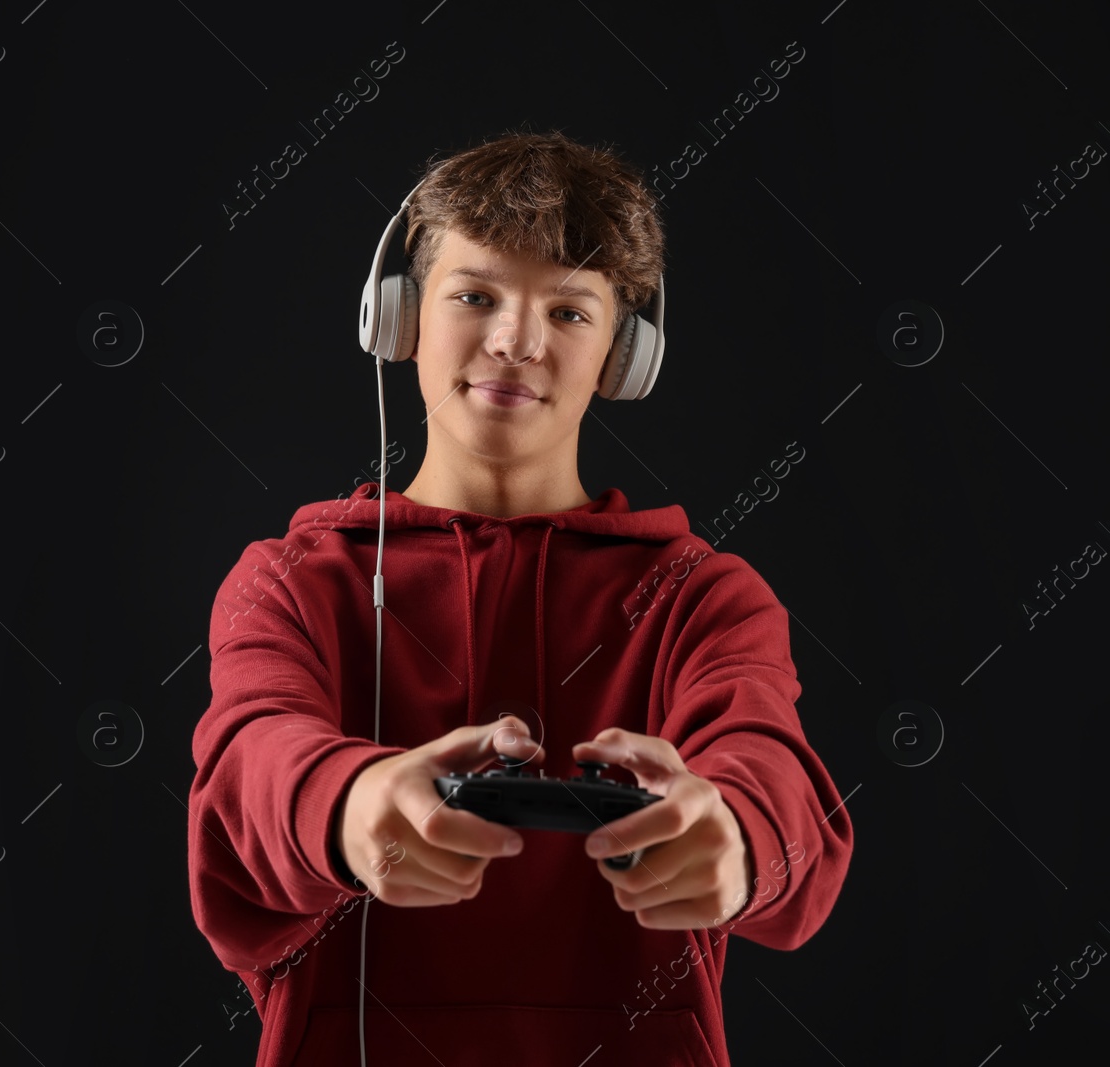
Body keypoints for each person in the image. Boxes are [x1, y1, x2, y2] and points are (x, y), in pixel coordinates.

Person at [187, 129, 853, 1066]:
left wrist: (738, 832)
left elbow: (769, 766)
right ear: (399, 317)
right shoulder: (290, 581)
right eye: (475, 295)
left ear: (624, 356)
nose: (516, 341)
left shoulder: (705, 597)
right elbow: (250, 759)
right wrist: (347, 800)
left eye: (572, 312)